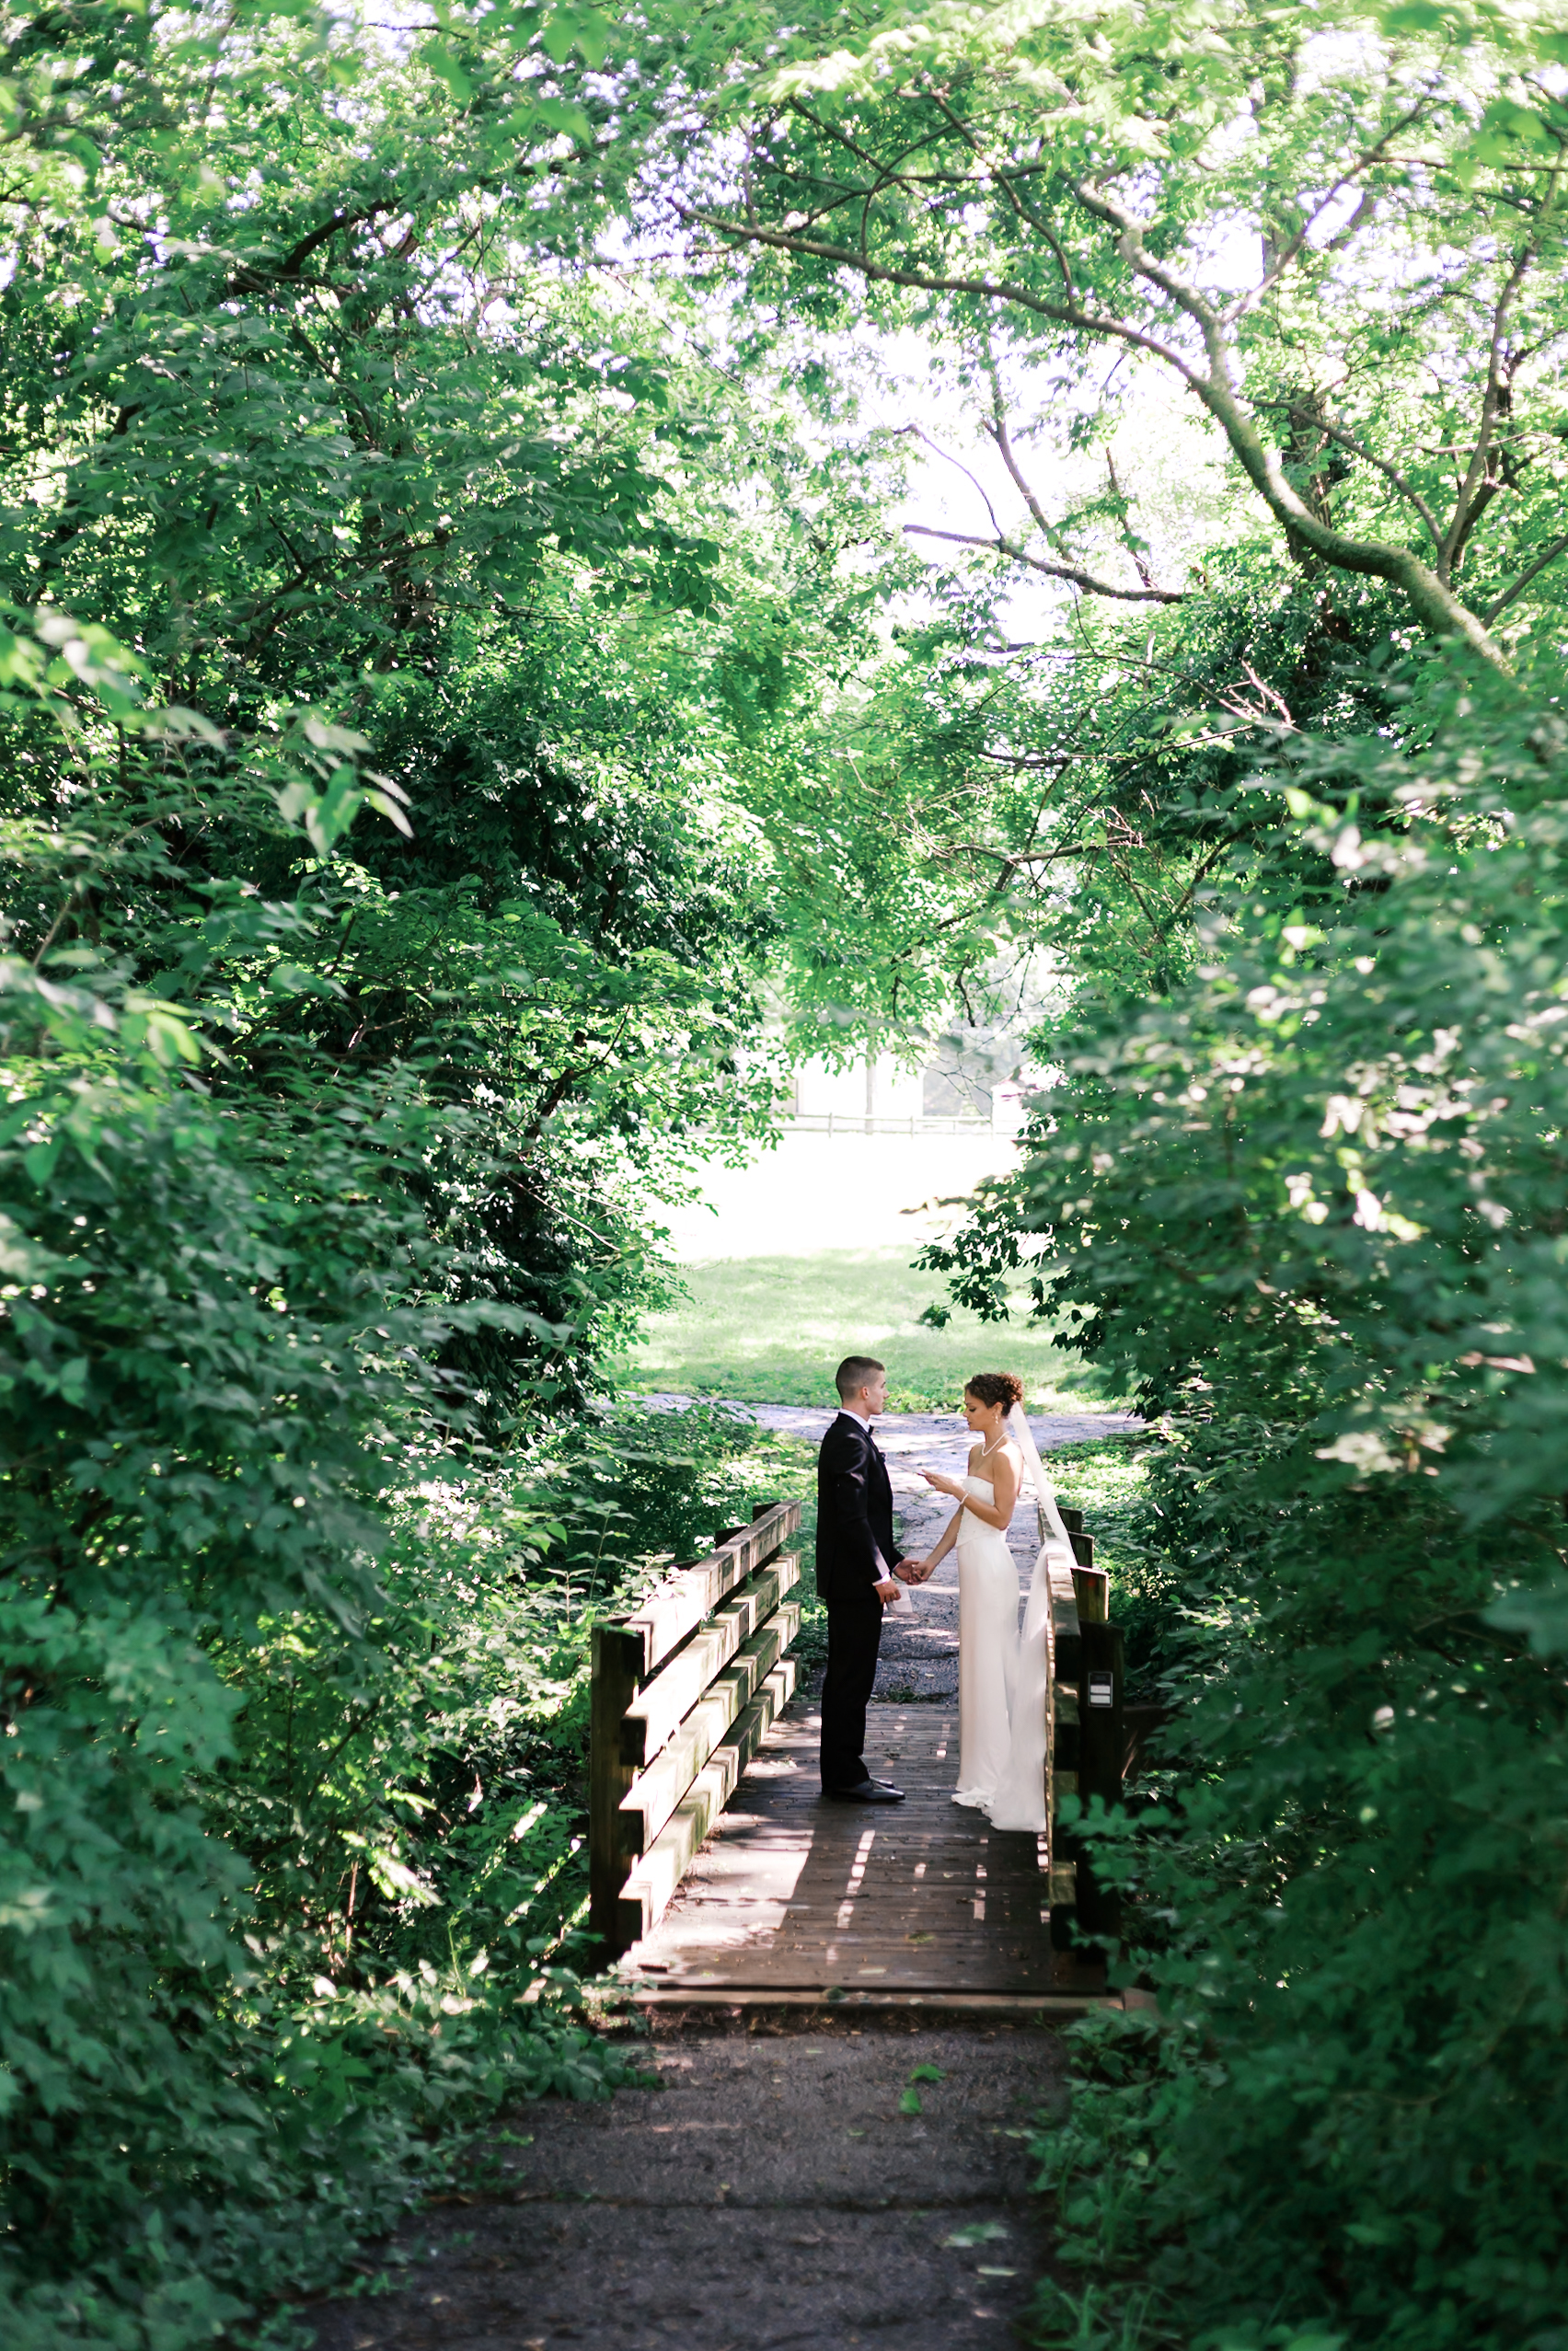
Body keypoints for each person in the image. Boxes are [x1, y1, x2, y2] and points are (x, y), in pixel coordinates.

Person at [909, 1372, 1076, 1831]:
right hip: (968, 1562)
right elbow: (963, 1517)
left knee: (992, 1662)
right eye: (965, 1406)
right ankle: (979, 1768)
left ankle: (1002, 1770)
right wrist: (931, 1561)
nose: (965, 1413)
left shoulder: (1007, 1454)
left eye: (972, 1407)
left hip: (992, 1567)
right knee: (976, 1665)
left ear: (997, 1409)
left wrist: (955, 1488)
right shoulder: (975, 1451)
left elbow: (1001, 1518)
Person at [814, 1354, 922, 1804]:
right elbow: (851, 1520)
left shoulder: (853, 1437)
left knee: (853, 1677)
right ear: (863, 1391)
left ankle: (849, 1771)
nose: (885, 1393)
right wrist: (879, 1576)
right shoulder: (849, 1441)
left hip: (858, 1578)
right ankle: (843, 1776)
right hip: (853, 1584)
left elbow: (869, 1521)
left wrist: (894, 1561)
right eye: (882, 1387)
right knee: (848, 1679)